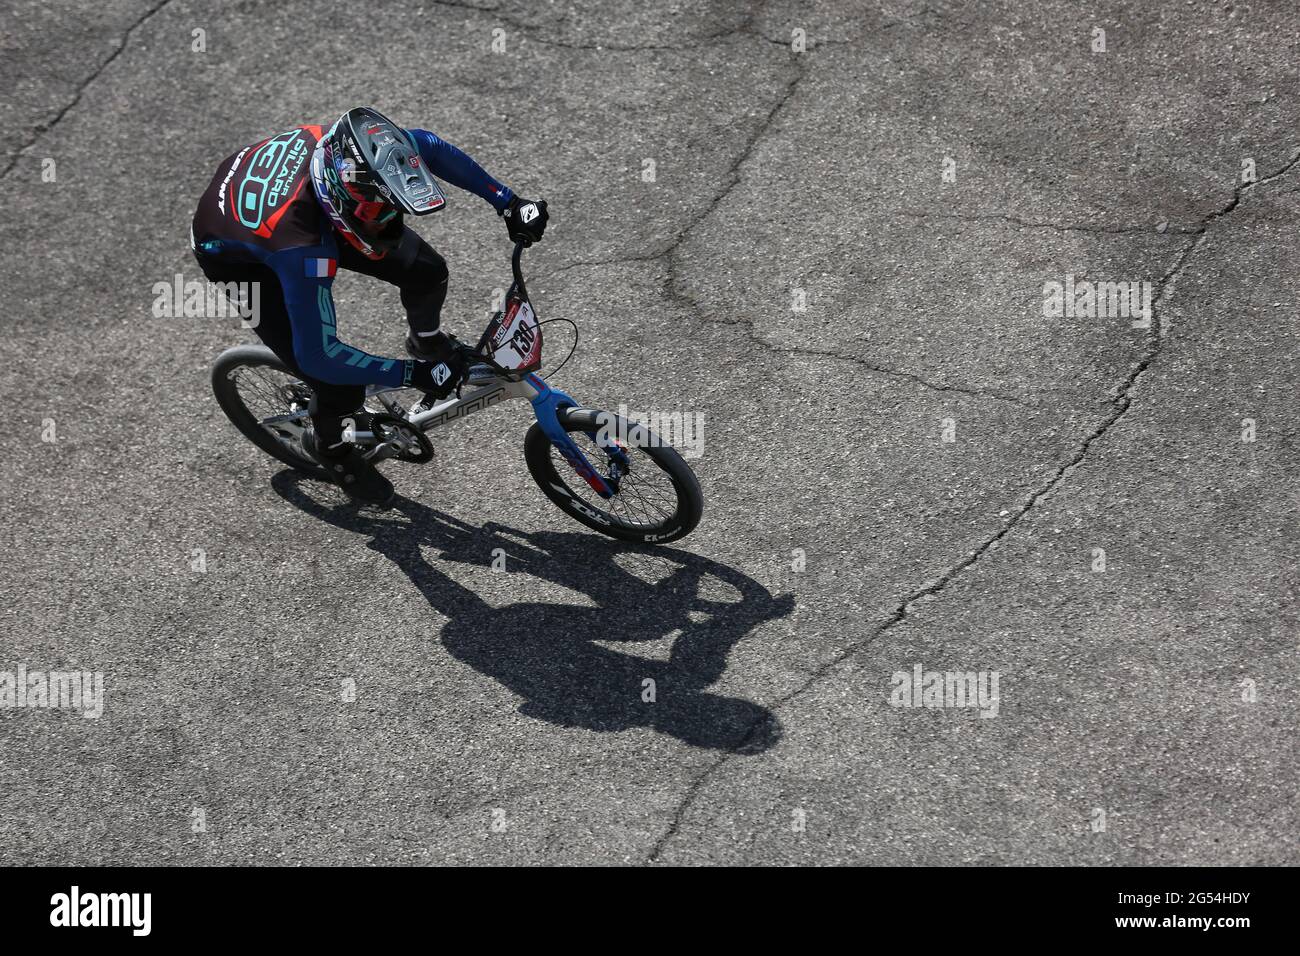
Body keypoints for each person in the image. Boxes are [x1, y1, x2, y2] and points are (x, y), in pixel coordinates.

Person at [191, 106, 549, 505]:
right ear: (342, 200)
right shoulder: (303, 253)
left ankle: (427, 340)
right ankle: (330, 448)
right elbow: (321, 355)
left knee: (427, 271)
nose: (390, 221)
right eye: (380, 212)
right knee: (337, 384)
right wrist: (414, 375)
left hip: (289, 196)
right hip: (239, 253)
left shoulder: (359, 152)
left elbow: (428, 145)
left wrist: (509, 201)